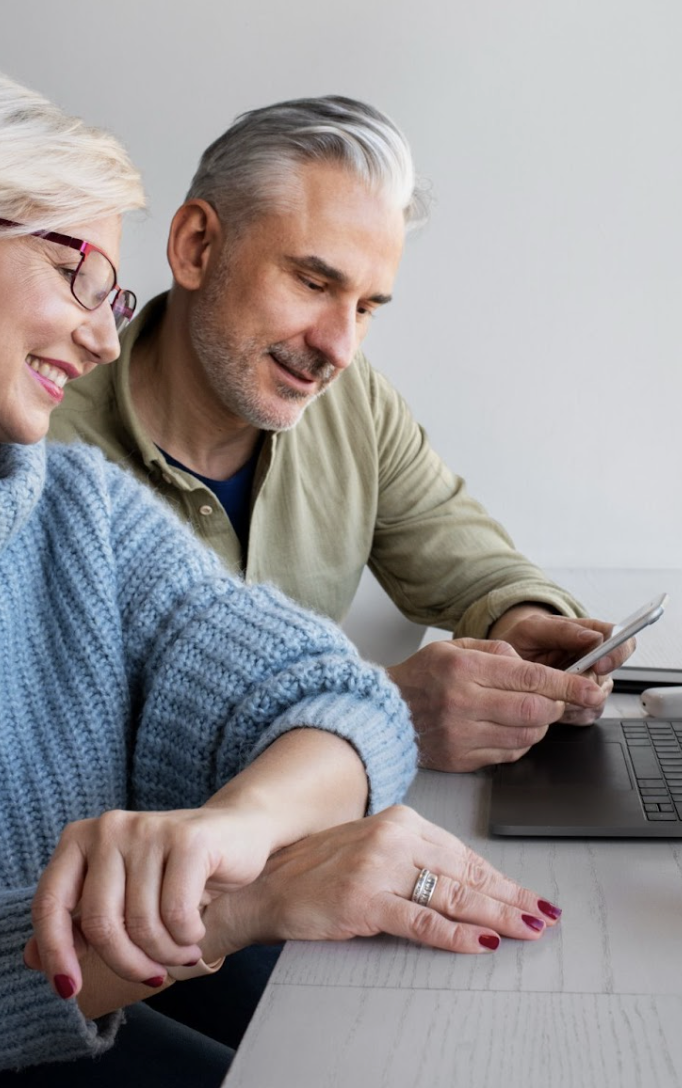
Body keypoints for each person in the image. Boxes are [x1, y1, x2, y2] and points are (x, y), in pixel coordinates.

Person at [0, 63, 561, 1088]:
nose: (104, 331)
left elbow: (332, 695)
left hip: (85, 998)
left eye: (108, 292)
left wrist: (235, 832)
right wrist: (236, 900)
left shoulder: (78, 508)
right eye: (73, 272)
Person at [49, 95, 636, 774]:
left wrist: (525, 627)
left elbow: (472, 565)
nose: (338, 347)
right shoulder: (39, 447)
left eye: (364, 308)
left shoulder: (353, 403)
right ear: (196, 247)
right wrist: (372, 708)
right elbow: (63, 748)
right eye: (312, 282)